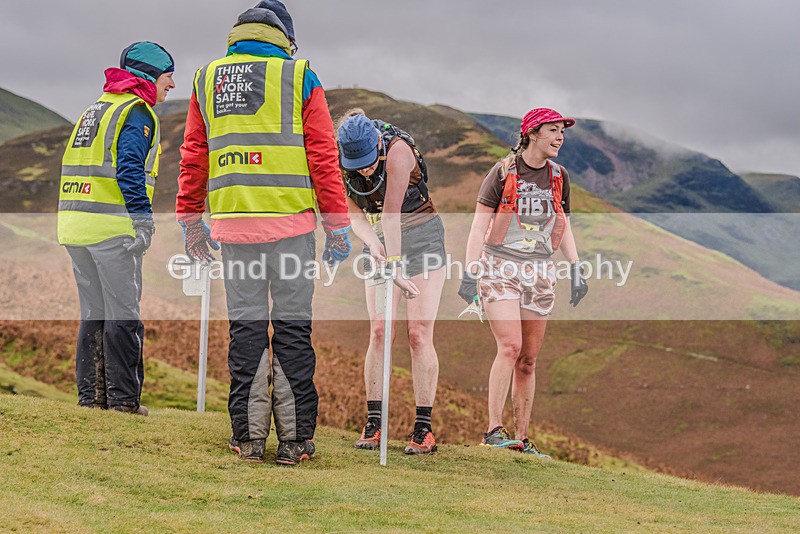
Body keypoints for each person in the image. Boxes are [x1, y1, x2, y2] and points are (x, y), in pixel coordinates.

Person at [176, 1, 352, 465]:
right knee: (293, 329)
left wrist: (192, 221)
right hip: (293, 228)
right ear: (284, 38)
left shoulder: (205, 79)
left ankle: (249, 439)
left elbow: (194, 154)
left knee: (247, 329)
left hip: (234, 231)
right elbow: (323, 158)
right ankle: (295, 443)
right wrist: (337, 227)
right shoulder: (299, 76)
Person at [459, 108, 588, 458]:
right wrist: (471, 273)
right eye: (553, 130)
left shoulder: (560, 176)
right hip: (499, 265)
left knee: (529, 359)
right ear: (532, 133)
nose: (560, 137)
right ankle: (492, 431)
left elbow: (563, 225)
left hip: (540, 271)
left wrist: (576, 267)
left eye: (562, 131)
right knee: (510, 347)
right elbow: (477, 227)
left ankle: (522, 437)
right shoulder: (502, 172)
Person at [57, 42, 176, 415]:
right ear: (150, 76)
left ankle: (91, 399)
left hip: (76, 225)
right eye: (168, 76)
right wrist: (143, 221)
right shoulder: (136, 112)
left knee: (93, 313)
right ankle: (124, 401)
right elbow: (128, 168)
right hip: (112, 229)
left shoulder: (95, 109)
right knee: (123, 314)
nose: (172, 84)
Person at [337, 110, 446, 455]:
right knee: (380, 330)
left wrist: (396, 267)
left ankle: (423, 429)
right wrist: (372, 244)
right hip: (382, 240)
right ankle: (373, 423)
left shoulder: (399, 151)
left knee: (418, 333)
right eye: (358, 165)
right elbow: (353, 212)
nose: (365, 171)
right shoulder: (337, 159)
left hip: (423, 236)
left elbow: (392, 212)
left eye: (369, 163)